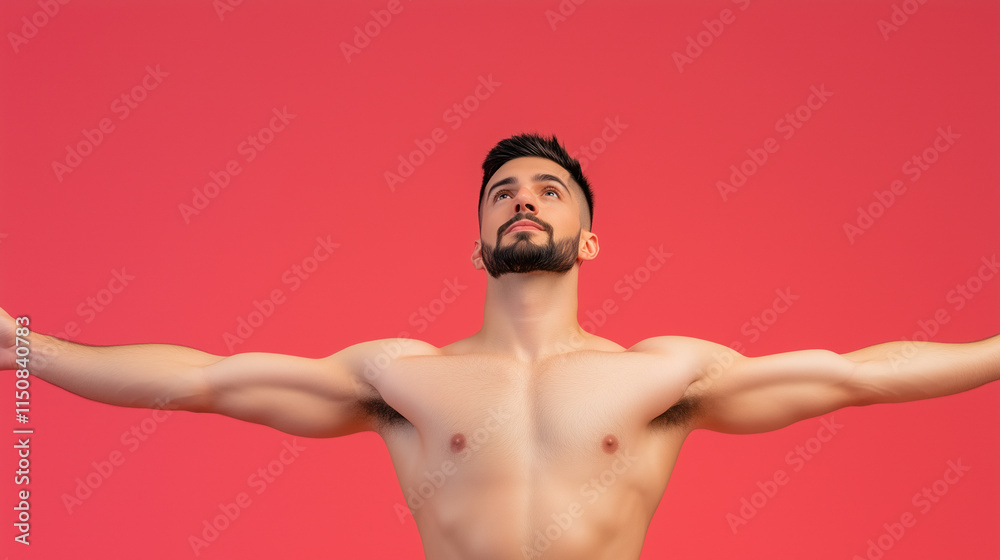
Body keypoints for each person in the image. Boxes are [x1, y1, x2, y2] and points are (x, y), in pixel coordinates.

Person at [2, 133, 997, 560]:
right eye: (504, 192)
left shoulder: (660, 373)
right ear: (479, 235)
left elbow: (856, 373)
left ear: (589, 239)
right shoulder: (400, 375)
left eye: (548, 190)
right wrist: (26, 349)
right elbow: (207, 381)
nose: (524, 198)